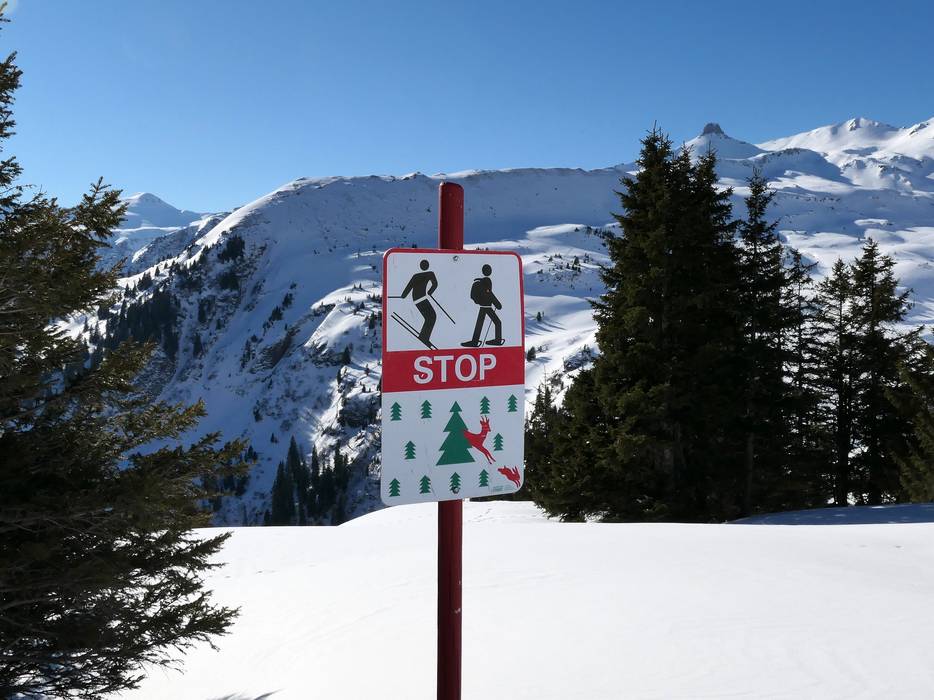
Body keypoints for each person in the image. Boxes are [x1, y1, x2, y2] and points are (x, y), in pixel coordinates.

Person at [462, 264, 503, 347]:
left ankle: (475, 341)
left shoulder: (482, 281)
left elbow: (488, 293)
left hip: (483, 306)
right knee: (497, 322)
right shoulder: (486, 282)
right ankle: (497, 340)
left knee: (480, 324)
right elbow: (490, 294)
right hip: (486, 306)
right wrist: (498, 304)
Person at [400, 259, 438, 346]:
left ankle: (423, 337)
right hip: (422, 298)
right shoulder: (430, 273)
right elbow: (435, 284)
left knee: (430, 317)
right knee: (431, 317)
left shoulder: (416, 276)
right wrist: (430, 292)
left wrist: (403, 296)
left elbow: (408, 287)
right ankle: (424, 338)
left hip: (416, 299)